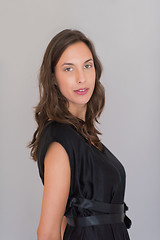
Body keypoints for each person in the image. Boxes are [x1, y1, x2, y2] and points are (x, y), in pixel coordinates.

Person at [28, 29, 131, 240]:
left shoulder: (82, 135)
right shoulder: (61, 141)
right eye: (68, 69)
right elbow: (47, 232)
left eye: (87, 65)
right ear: (53, 78)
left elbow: (71, 216)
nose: (81, 78)